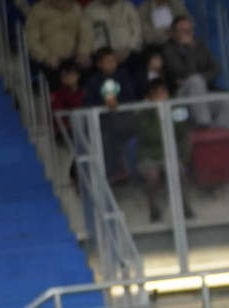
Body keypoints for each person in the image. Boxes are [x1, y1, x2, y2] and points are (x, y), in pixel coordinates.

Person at [136, 79, 193, 223]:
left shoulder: (177, 109)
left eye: (164, 93)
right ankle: (154, 209)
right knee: (153, 175)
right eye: (157, 94)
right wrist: (158, 115)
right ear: (150, 96)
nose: (161, 97)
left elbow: (182, 133)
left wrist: (181, 157)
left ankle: (185, 206)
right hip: (149, 157)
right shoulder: (142, 113)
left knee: (179, 171)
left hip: (171, 155)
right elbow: (151, 136)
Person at [26, 0, 85, 78]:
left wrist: (84, 51)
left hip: (73, 58)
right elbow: (31, 39)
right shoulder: (38, 10)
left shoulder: (76, 8)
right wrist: (45, 56)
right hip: (48, 59)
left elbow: (85, 31)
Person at [79, 0, 143, 66]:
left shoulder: (127, 6)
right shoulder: (90, 9)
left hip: (128, 53)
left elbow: (137, 30)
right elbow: (86, 35)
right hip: (101, 57)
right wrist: (100, 54)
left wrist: (128, 49)